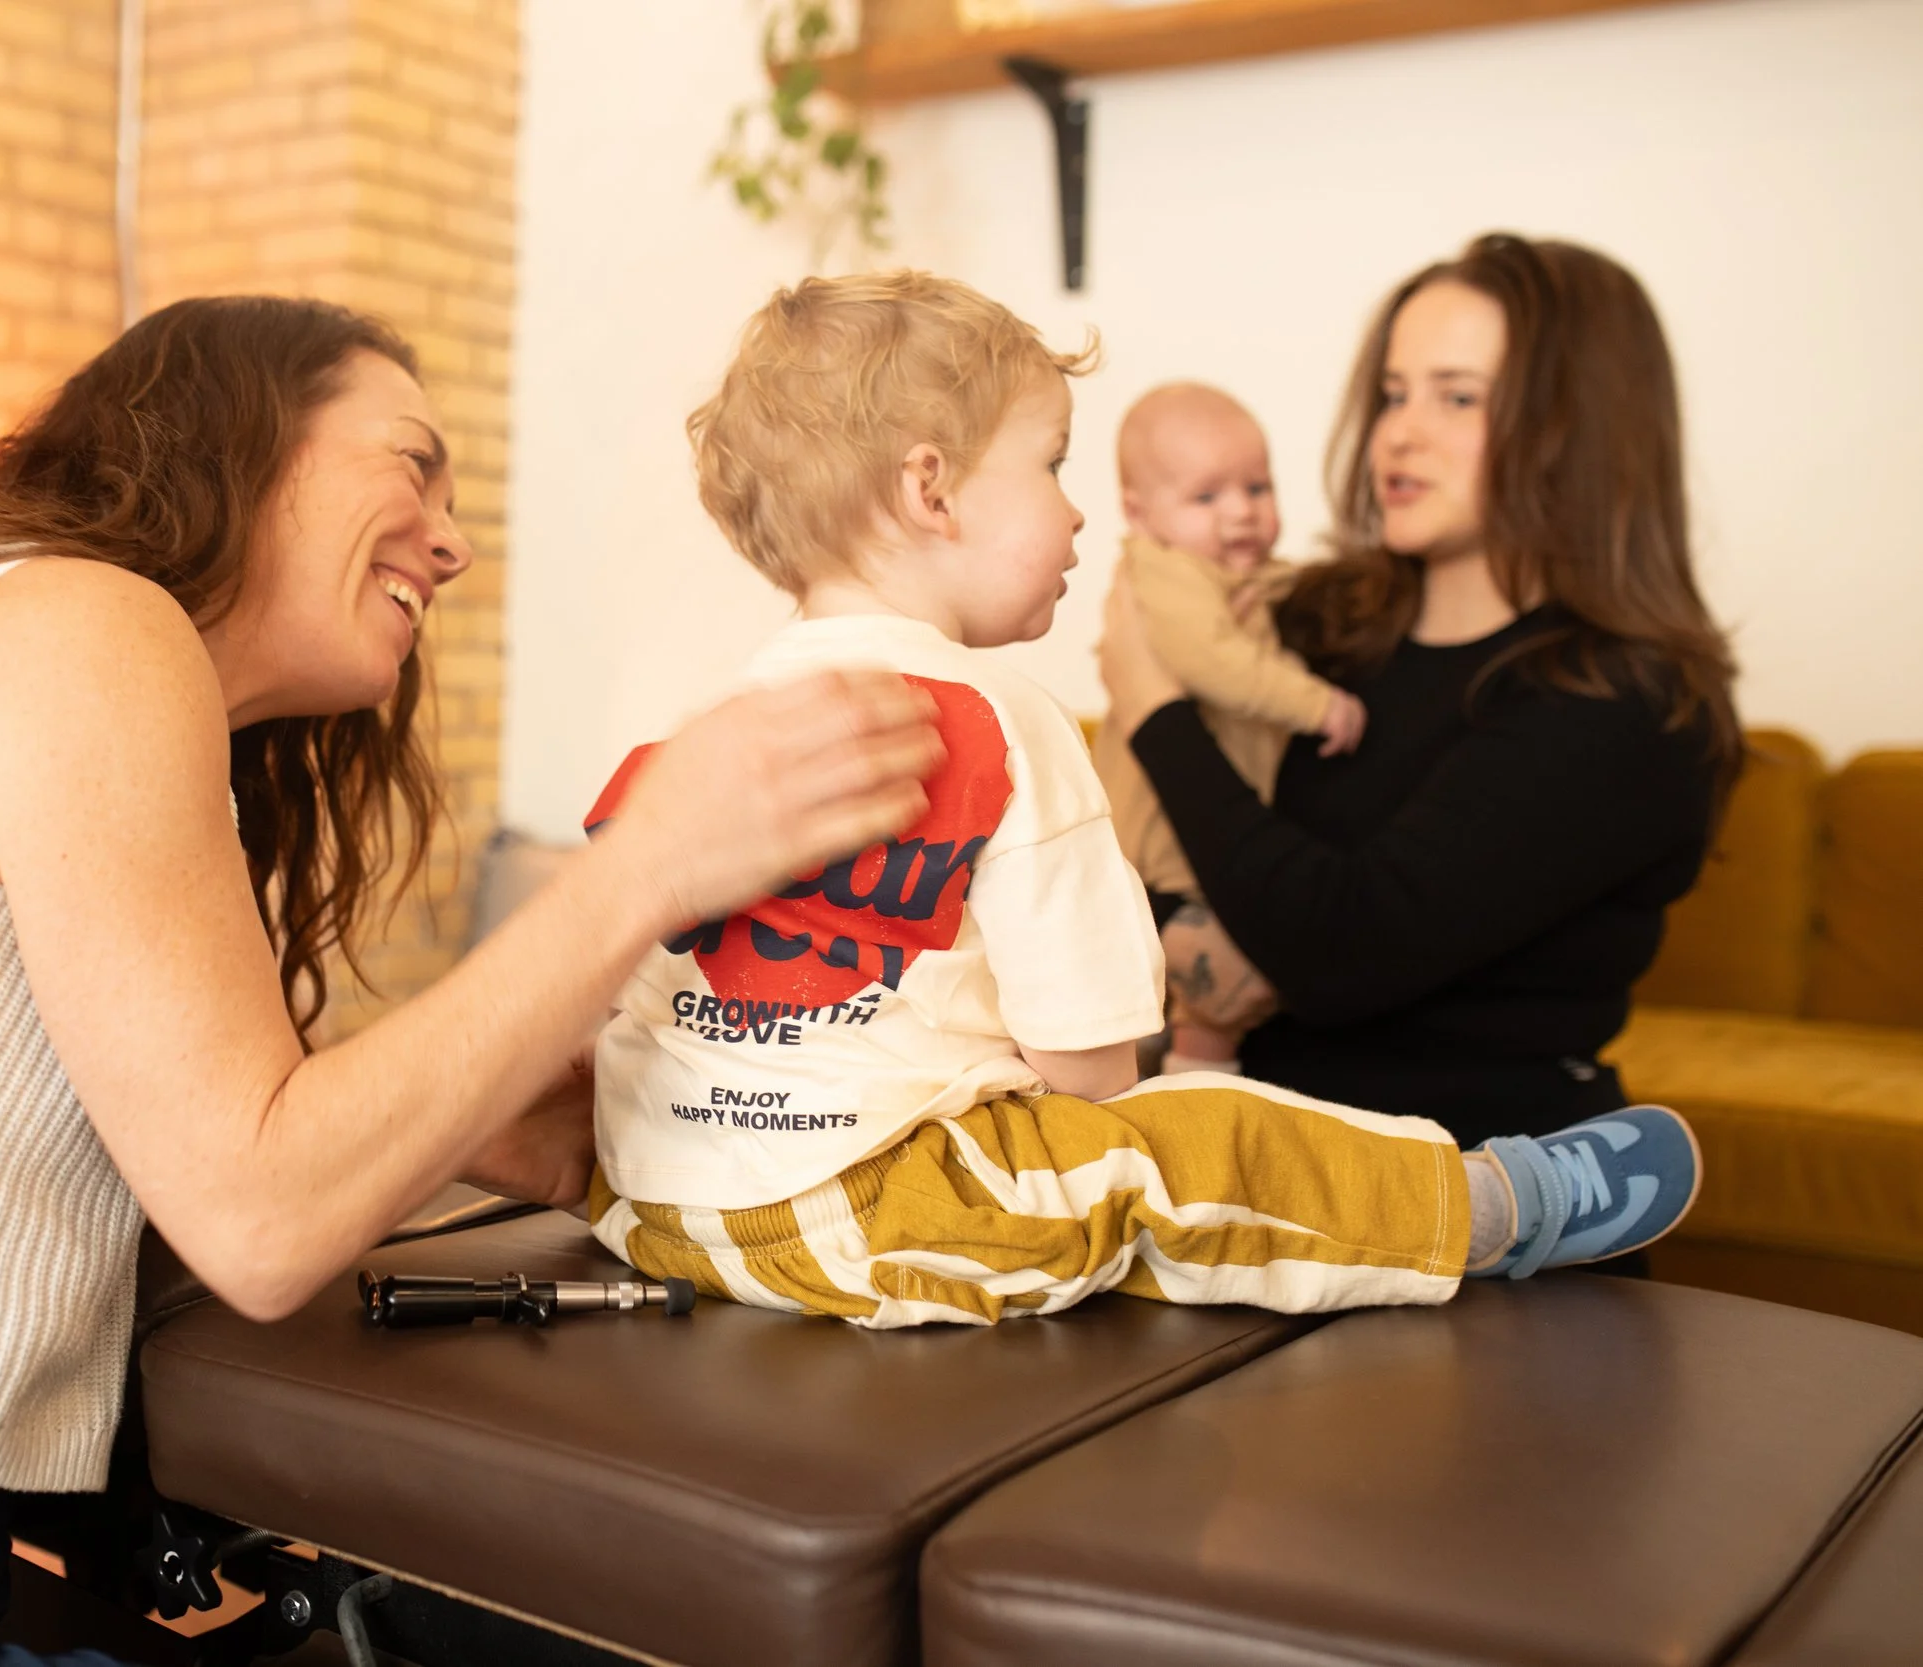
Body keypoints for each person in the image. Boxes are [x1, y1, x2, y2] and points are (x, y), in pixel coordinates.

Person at [0, 297, 953, 1664]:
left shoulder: (27, 624)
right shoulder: (81, 619)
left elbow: (173, 1081)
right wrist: (651, 865)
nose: (451, 536)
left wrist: (495, 1116)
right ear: (241, 435)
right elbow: (260, 1212)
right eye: (410, 464)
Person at [581, 270, 1701, 1332]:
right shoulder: (1003, 724)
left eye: (1454, 396)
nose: (1085, 520)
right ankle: (1497, 1205)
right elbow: (1090, 1068)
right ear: (930, 489)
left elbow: (629, 982)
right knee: (1187, 1138)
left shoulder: (696, 734)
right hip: (894, 1210)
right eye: (1056, 466)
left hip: (664, 1205)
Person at [1099, 234, 1741, 1147]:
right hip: (1247, 1171)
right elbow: (1144, 854)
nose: (1398, 430)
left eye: (1458, 396)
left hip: (1486, 1202)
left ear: (1577, 426)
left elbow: (1340, 947)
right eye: (1394, 393)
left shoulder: (1624, 703)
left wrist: (1154, 704)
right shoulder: (1315, 621)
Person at [1088, 382, 1365, 1077]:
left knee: (1197, 1008)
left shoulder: (1232, 576)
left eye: (1257, 486)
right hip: (1163, 859)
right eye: (1207, 497)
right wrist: (1316, 703)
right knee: (1213, 996)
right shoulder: (1164, 573)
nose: (1241, 511)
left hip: (1206, 855)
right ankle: (1195, 1107)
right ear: (1139, 512)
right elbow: (1210, 661)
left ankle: (1182, 1093)